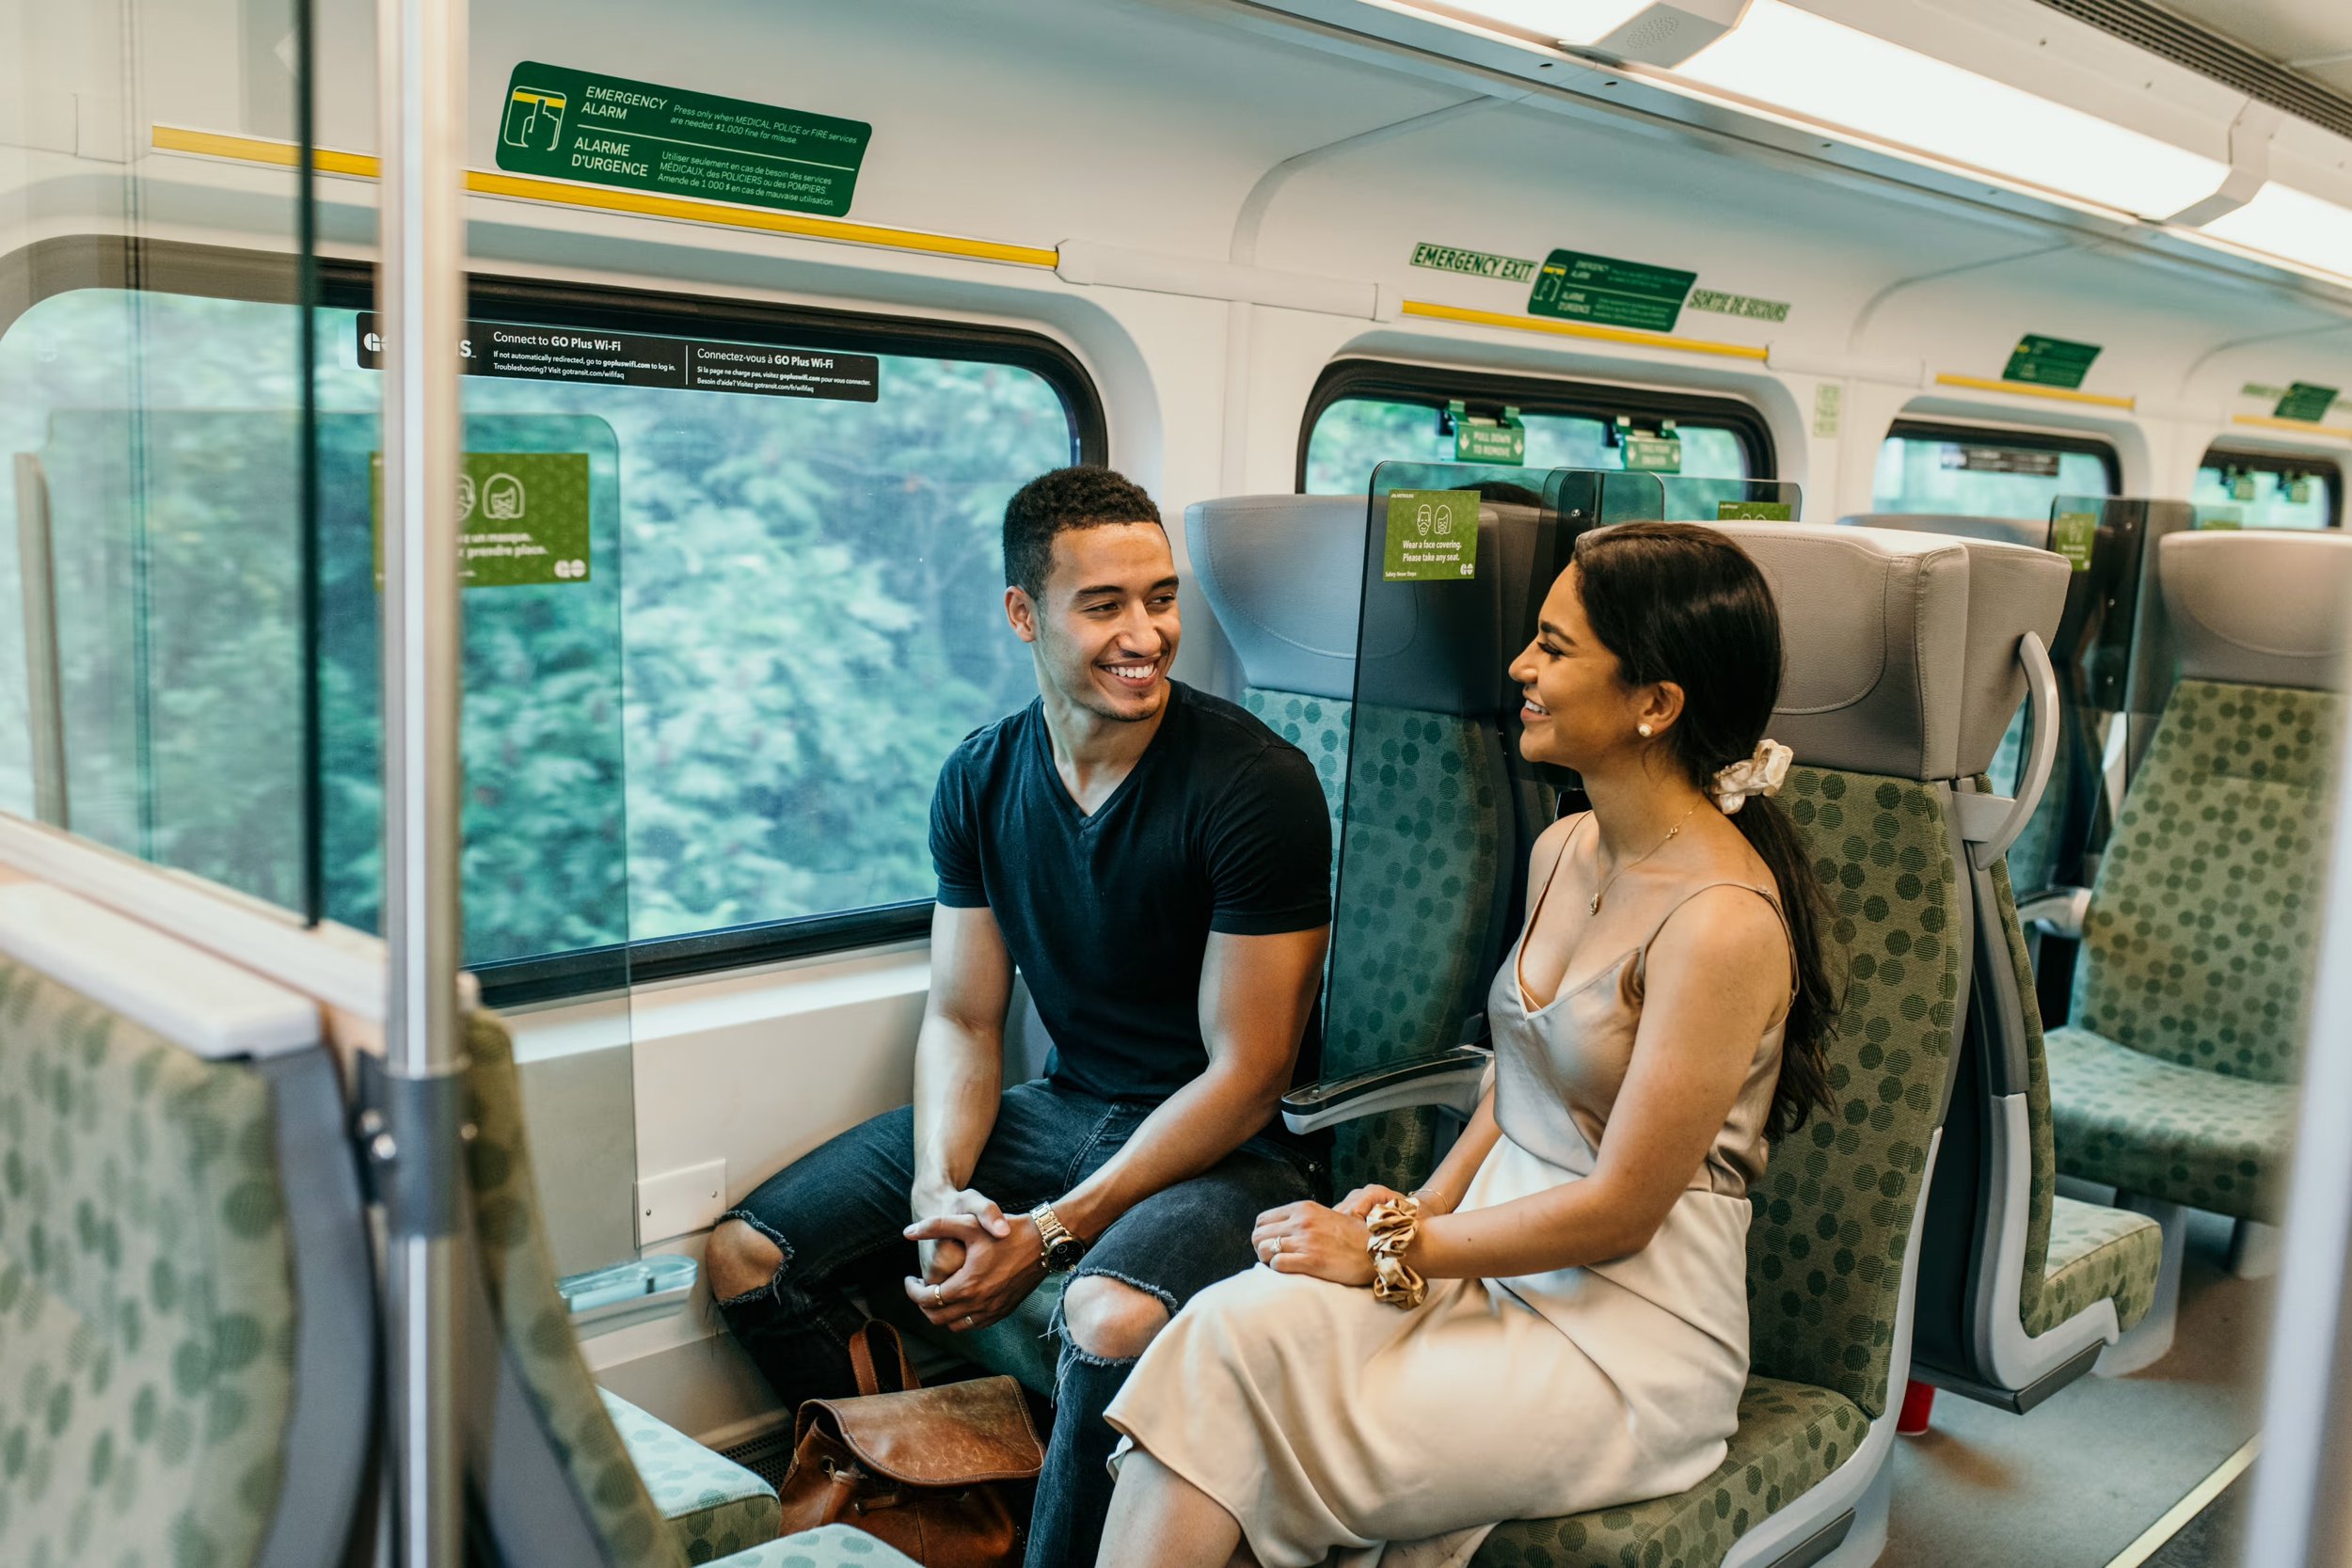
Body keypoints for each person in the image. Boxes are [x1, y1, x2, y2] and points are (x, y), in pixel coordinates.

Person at [1097, 522, 1841, 1568]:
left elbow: (1623, 1210)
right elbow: (1519, 1075)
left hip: (1625, 1337)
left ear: (1654, 704)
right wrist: (1421, 1205)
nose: (1519, 667)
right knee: (1221, 1335)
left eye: (1554, 645)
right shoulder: (1563, 845)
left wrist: (1394, 1250)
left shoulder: (1721, 923)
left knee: (1257, 1403)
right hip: (1495, 1256)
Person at [706, 466, 1333, 1568]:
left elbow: (1248, 1072)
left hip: (1231, 1152)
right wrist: (937, 1190)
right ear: (1022, 614)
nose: (1146, 633)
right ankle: (945, 1494)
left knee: (1104, 1317)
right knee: (749, 1258)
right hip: (1064, 1106)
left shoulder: (1254, 786)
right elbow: (961, 1015)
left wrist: (1046, 1232)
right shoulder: (980, 776)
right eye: (1104, 605)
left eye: (1161, 597)